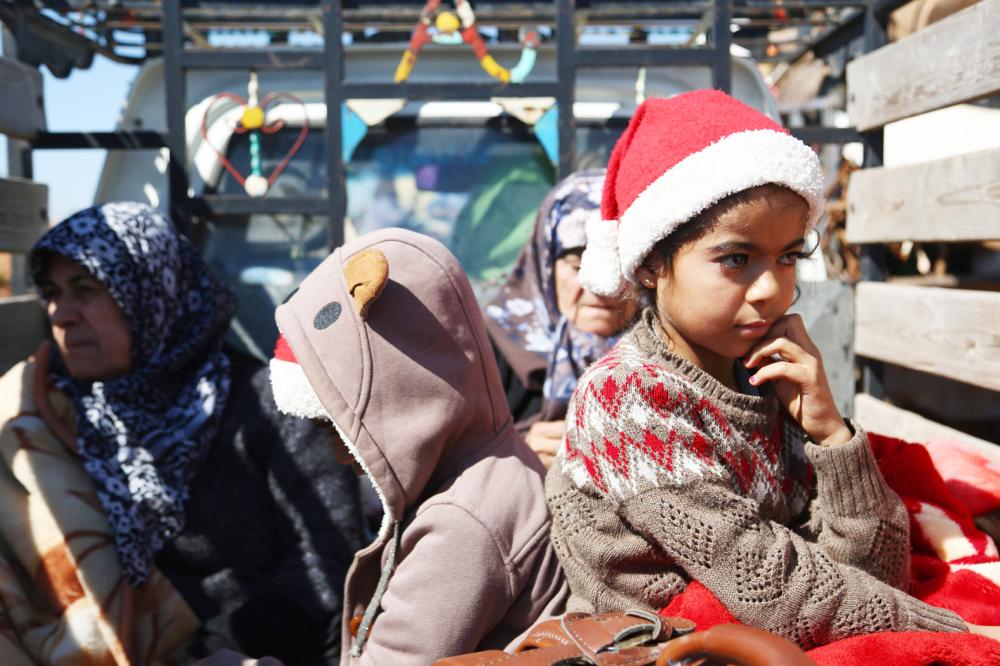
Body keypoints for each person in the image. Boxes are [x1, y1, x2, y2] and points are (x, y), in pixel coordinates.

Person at [544, 91, 1000, 649]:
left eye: (787, 256)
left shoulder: (763, 377)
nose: (770, 290)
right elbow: (776, 592)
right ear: (650, 265)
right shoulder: (627, 398)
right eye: (736, 259)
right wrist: (962, 633)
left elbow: (877, 576)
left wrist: (832, 434)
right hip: (656, 648)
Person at [0, 202, 364, 665]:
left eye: (86, 288)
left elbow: (328, 570)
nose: (61, 313)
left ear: (152, 293)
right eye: (52, 292)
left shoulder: (267, 407)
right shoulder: (46, 416)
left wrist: (201, 646)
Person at [268, 227, 567, 665]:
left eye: (343, 429)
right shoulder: (484, 468)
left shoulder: (461, 525)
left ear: (405, 392)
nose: (338, 453)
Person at [484, 170, 638, 467]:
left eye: (620, 266)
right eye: (578, 264)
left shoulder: (672, 355)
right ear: (545, 266)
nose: (601, 285)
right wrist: (518, 457)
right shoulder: (489, 352)